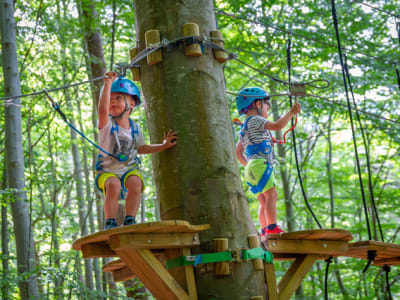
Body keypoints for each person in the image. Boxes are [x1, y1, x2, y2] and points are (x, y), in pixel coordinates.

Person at [96, 71, 177, 229]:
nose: (113, 101)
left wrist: (163, 145)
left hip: (128, 168)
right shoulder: (106, 125)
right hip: (107, 171)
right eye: (110, 99)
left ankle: (130, 219)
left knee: (136, 182)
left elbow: (141, 148)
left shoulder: (135, 128)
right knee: (113, 185)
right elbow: (102, 110)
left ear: (132, 103)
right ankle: (110, 221)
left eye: (118, 98)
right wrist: (107, 84)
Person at [235, 87, 301, 236]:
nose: (267, 111)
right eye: (266, 107)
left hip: (251, 169)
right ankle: (272, 228)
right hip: (260, 165)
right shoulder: (257, 120)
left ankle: (265, 231)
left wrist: (251, 166)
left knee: (263, 201)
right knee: (272, 196)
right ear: (258, 104)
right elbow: (278, 126)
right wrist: (291, 112)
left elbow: (238, 152)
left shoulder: (244, 127)